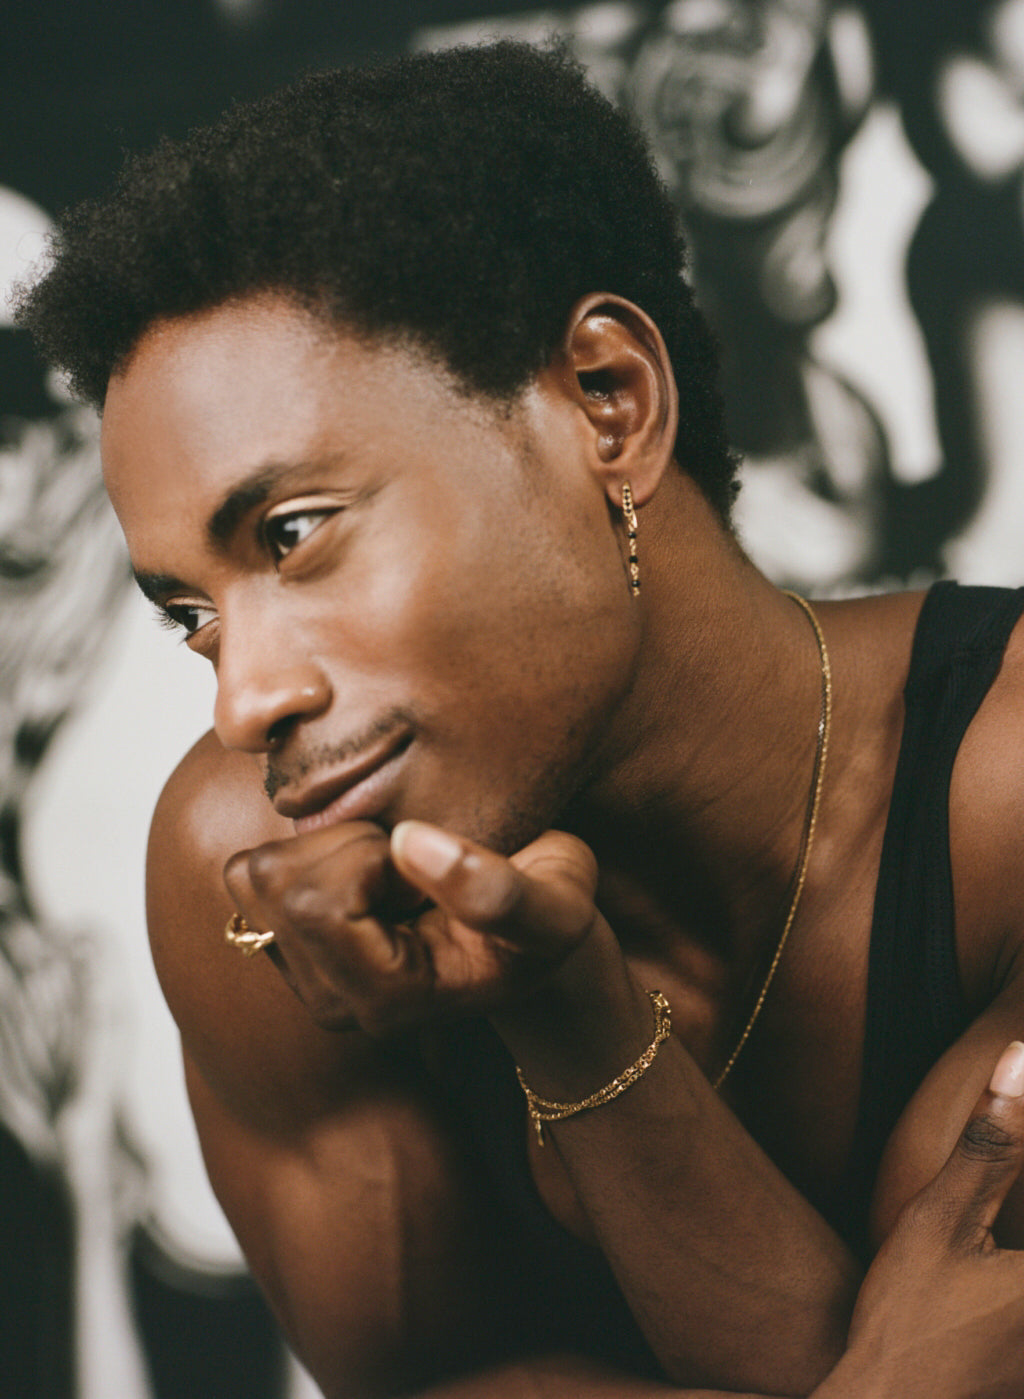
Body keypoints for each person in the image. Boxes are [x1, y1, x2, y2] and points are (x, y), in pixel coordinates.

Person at [15, 39, 1024, 1398]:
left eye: (296, 534)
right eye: (189, 608)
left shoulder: (1005, 784)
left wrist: (579, 1034)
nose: (245, 695)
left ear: (607, 404)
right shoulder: (250, 879)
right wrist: (573, 1014)